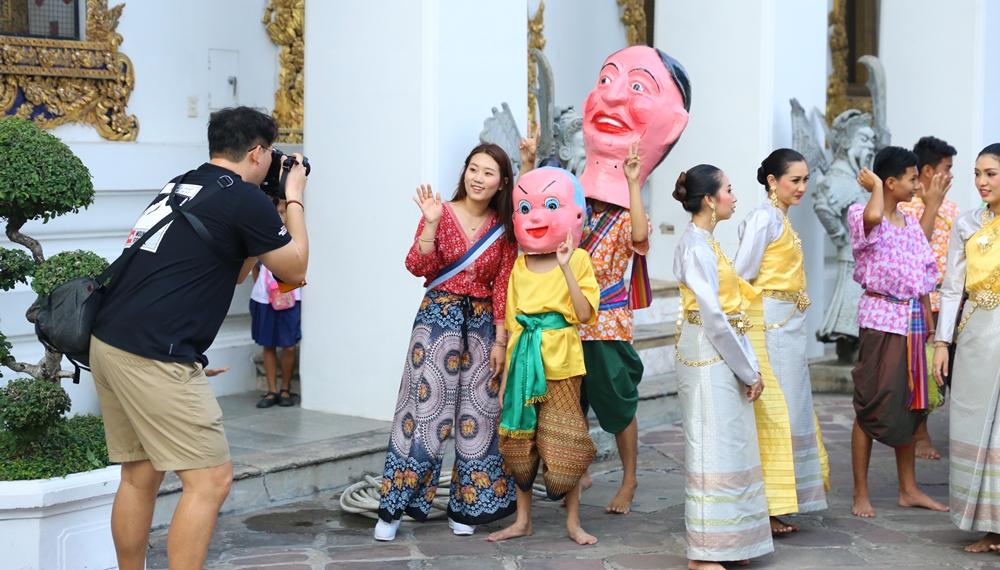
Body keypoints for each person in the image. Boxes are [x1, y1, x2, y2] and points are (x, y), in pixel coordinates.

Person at [89, 106, 309, 570]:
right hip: (155, 353)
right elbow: (295, 268)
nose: (274, 161)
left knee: (140, 474)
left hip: (112, 339)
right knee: (210, 480)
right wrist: (294, 198)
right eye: (271, 153)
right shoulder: (244, 199)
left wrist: (266, 207)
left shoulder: (184, 182)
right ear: (256, 152)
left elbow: (232, 271)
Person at [374, 142, 528, 541]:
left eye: (488, 172)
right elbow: (417, 266)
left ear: (501, 182)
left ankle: (468, 506)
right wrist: (428, 223)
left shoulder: (504, 227)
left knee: (478, 415)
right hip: (437, 320)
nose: (478, 178)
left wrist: (500, 340)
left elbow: (502, 287)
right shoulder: (441, 214)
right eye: (473, 169)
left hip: (481, 326)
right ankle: (394, 509)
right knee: (424, 412)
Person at [573, 45, 691, 514]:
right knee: (571, 398)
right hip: (568, 318)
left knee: (619, 402)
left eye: (638, 86)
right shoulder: (576, 201)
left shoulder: (626, 212)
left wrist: (634, 182)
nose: (614, 96)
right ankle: (578, 467)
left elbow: (640, 235)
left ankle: (630, 478)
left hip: (608, 321)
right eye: (606, 80)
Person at [486, 167, 601, 546]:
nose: (536, 216)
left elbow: (584, 315)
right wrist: (505, 378)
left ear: (576, 214)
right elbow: (515, 323)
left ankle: (573, 522)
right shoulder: (519, 264)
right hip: (523, 363)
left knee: (563, 440)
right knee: (521, 441)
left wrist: (567, 264)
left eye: (551, 205)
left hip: (563, 364)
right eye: (526, 207)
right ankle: (523, 521)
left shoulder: (580, 260)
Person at [672, 165, 771, 569]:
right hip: (705, 351)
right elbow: (713, 316)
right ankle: (704, 554)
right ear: (710, 199)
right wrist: (749, 370)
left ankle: (732, 543)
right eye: (729, 190)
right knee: (709, 448)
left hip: (717, 348)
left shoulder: (709, 243)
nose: (735, 196)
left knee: (730, 445)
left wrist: (748, 365)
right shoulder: (695, 246)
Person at [848, 146, 947, 519]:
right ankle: (861, 492)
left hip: (913, 325)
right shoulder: (860, 212)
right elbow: (875, 214)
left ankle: (908, 489)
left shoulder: (908, 222)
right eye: (911, 179)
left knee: (912, 405)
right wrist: (875, 186)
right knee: (870, 404)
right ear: (890, 182)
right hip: (880, 320)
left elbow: (922, 276)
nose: (917, 185)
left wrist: (933, 332)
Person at [734, 149, 830, 534]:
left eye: (806, 180)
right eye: (795, 180)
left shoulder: (780, 219)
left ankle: (780, 502)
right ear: (773, 181)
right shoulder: (763, 219)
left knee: (791, 410)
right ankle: (767, 507)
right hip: (769, 326)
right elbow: (742, 274)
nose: (802, 187)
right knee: (775, 413)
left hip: (787, 327)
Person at [932, 143, 1000, 553]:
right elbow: (953, 287)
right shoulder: (967, 223)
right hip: (977, 334)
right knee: (979, 427)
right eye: (977, 173)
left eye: (990, 173)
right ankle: (991, 525)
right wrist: (942, 342)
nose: (981, 182)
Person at [897, 136, 957, 460]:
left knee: (945, 376)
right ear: (930, 171)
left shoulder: (952, 206)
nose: (951, 176)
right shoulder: (905, 205)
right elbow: (914, 249)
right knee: (920, 374)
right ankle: (920, 435)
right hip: (920, 304)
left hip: (949, 302)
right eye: (947, 169)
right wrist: (930, 206)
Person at [250, 200, 302, 408]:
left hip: (291, 296)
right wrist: (264, 289)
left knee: (289, 346)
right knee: (268, 343)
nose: (280, 215)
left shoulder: (296, 236)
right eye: (277, 211)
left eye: (284, 211)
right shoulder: (263, 233)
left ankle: (286, 388)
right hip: (264, 298)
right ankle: (272, 390)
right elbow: (254, 265)